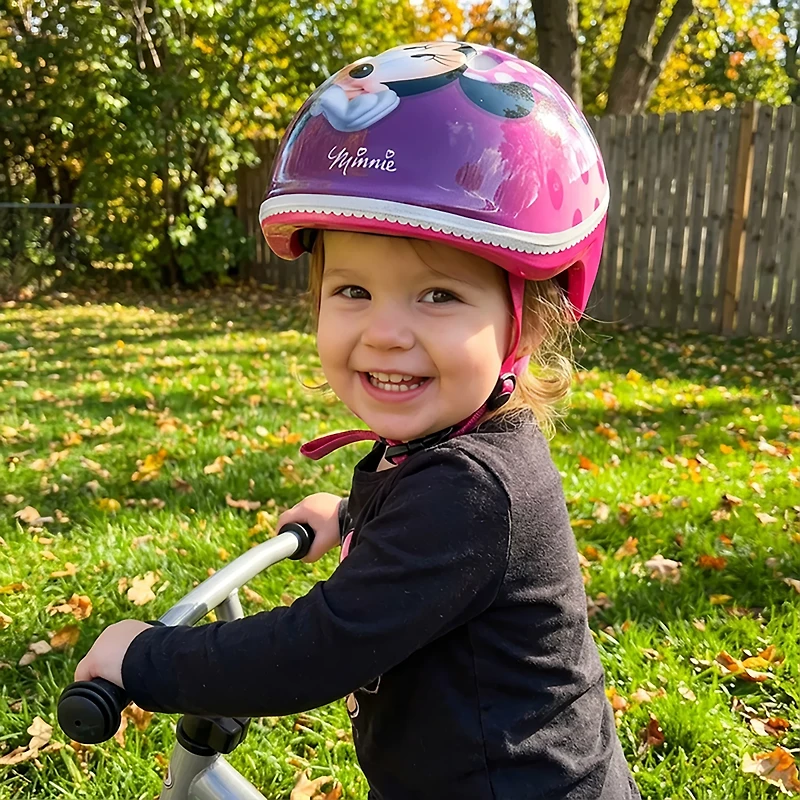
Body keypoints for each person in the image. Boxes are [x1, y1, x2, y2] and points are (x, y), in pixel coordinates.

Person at [76, 42, 641, 799]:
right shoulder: (456, 450)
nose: (384, 332)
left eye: (438, 296)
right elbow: (429, 540)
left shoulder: (475, 489)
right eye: (352, 291)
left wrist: (145, 658)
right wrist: (352, 514)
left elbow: (316, 651)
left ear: (525, 328)